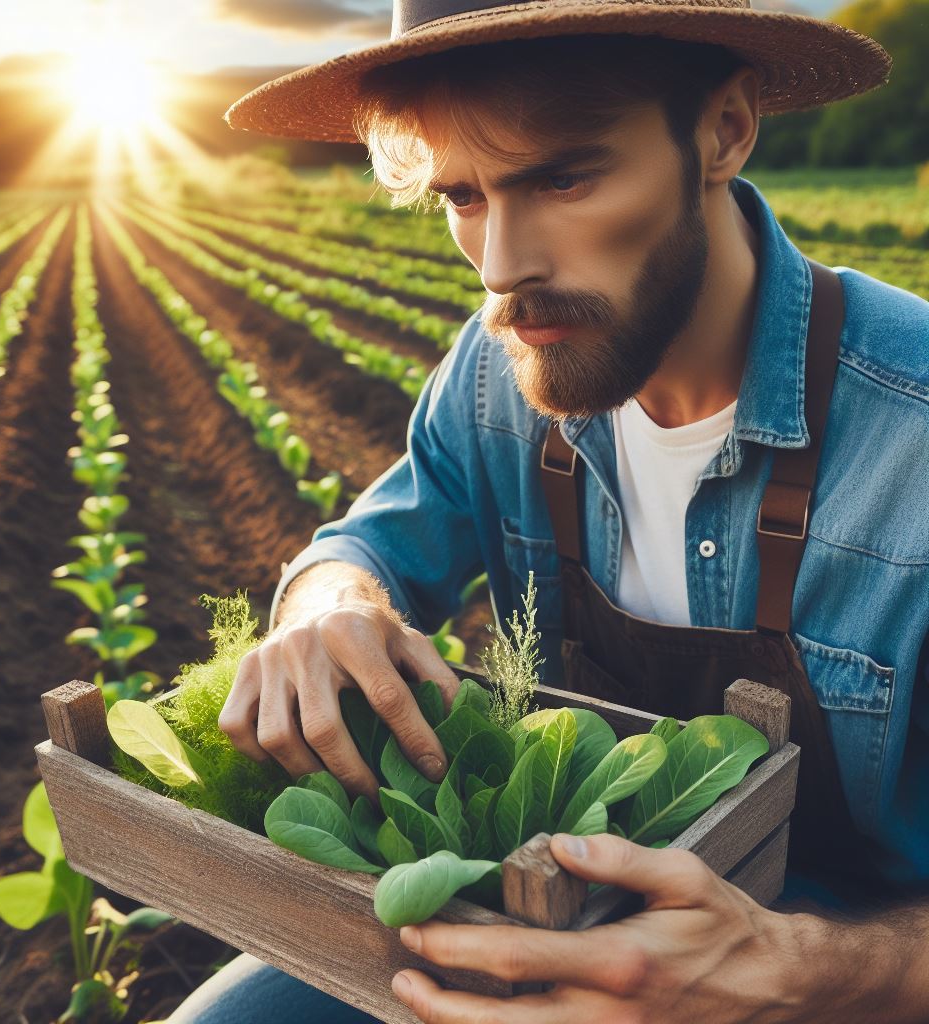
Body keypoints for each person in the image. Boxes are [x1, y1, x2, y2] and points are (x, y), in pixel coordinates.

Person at [166, 3, 929, 1021]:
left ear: (724, 131)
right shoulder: (493, 377)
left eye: (562, 177)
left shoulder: (910, 432)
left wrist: (795, 971)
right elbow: (364, 546)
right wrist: (326, 607)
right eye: (461, 195)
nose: (498, 269)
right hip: (548, 912)